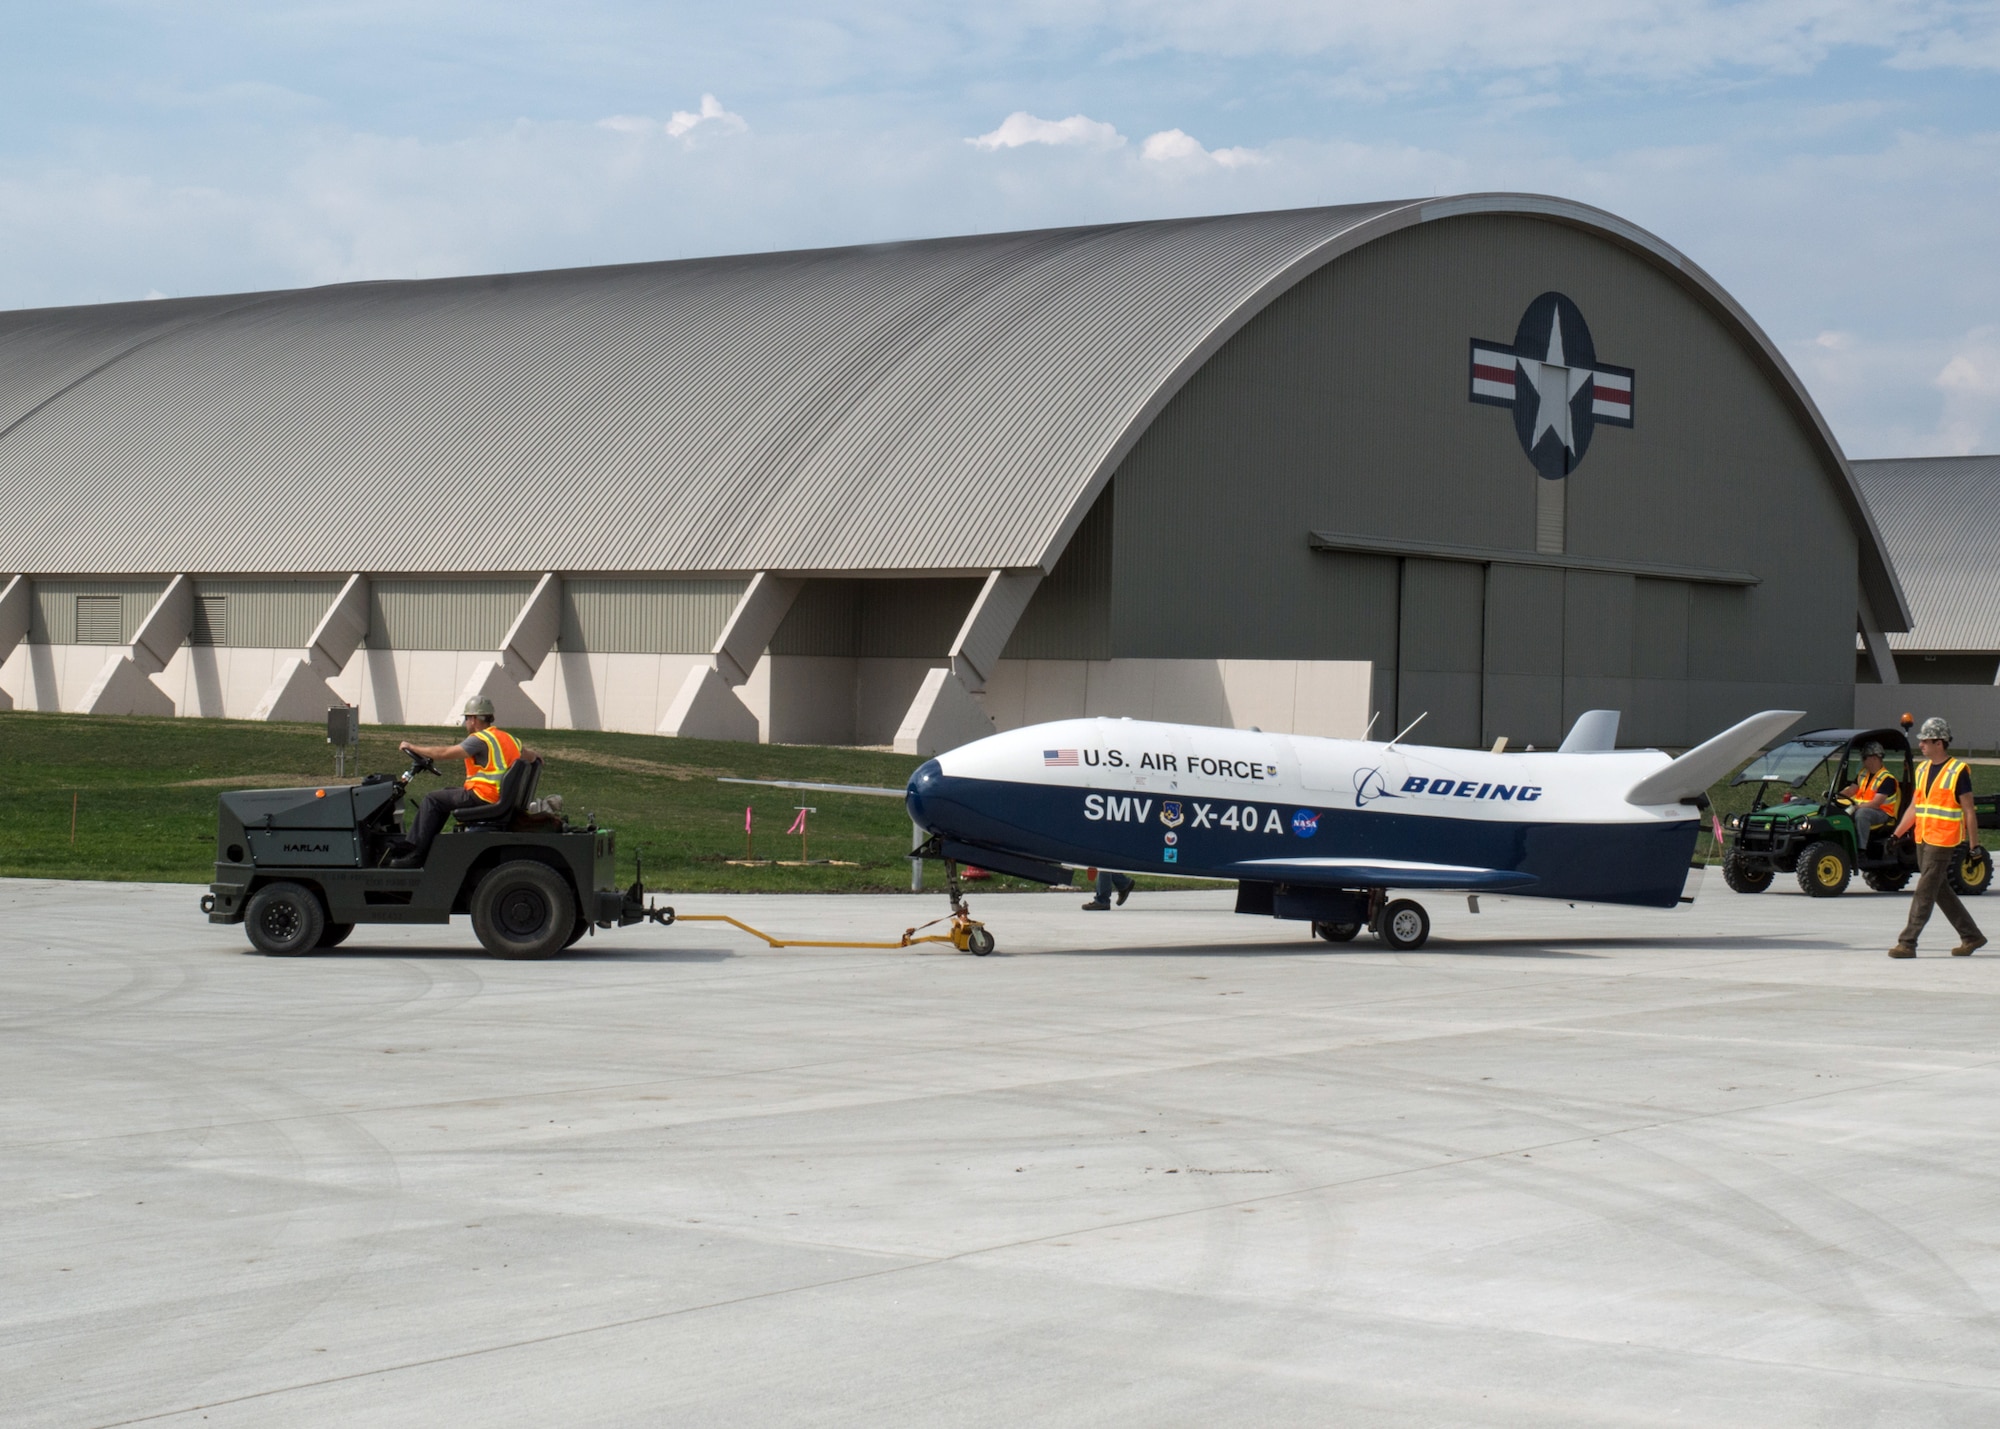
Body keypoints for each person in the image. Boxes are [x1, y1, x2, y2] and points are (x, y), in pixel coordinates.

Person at [386, 697, 537, 867]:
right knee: (445, 793)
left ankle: (414, 853)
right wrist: (538, 759)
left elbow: (444, 753)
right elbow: (531, 756)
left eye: (466, 718)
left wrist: (413, 748)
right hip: (498, 796)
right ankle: (425, 845)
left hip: (484, 796)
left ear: (473, 719)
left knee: (432, 799)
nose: (465, 723)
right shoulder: (511, 739)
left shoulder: (479, 739)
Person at [1888, 717, 1987, 958]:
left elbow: (1969, 810)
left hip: (1943, 840)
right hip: (1923, 838)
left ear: (1939, 743)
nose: (1921, 744)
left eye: (1926, 740)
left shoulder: (1958, 772)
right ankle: (1972, 936)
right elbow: (1914, 806)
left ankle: (1908, 942)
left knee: (1924, 889)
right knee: (1938, 888)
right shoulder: (1922, 769)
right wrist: (1897, 833)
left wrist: (1974, 846)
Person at [1838, 742, 1899, 847]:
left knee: (1862, 814)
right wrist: (1835, 796)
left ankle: (1861, 848)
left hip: (1881, 812)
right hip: (1862, 807)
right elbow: (1850, 791)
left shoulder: (1887, 779)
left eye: (1864, 757)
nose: (1862, 760)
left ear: (1875, 758)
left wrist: (1855, 807)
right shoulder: (1862, 774)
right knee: (1836, 810)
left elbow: (1876, 804)